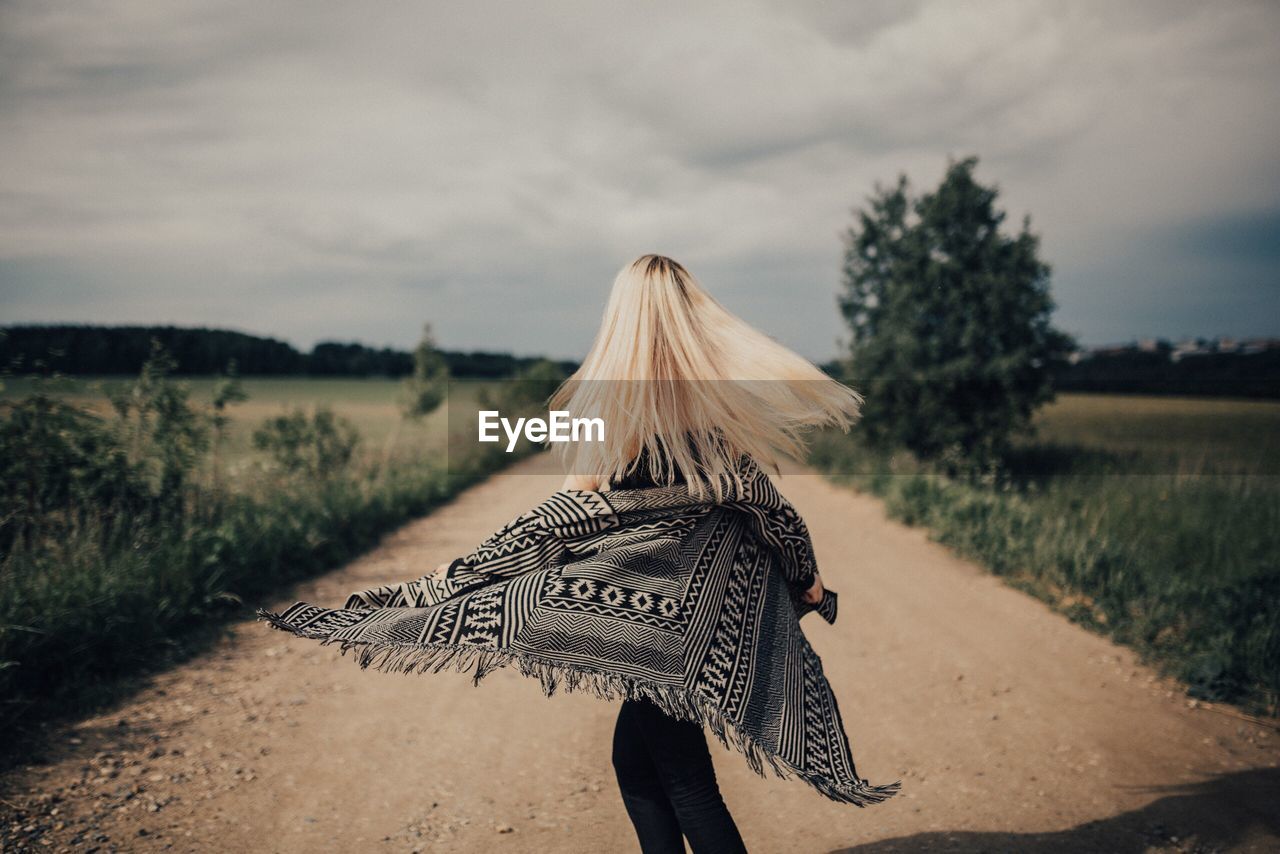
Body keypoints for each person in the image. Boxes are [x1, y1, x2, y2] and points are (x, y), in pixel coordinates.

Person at [543, 254, 862, 853]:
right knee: (637, 766)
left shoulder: (611, 413)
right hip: (698, 622)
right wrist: (806, 578)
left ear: (622, 319)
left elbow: (561, 518)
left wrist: (467, 576)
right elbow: (769, 509)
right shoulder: (714, 413)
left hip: (648, 623)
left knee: (686, 781)